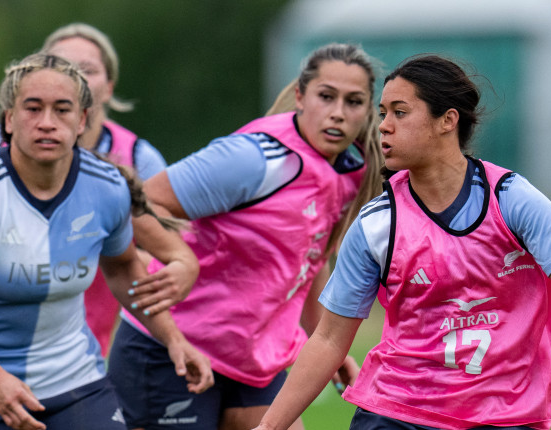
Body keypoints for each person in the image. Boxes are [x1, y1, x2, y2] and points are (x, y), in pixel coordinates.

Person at [251, 55, 551, 430]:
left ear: (447, 121)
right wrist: (269, 426)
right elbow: (329, 338)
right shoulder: (377, 224)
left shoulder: (512, 200)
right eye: (382, 113)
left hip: (505, 416)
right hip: (396, 411)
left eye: (399, 112)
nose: (383, 126)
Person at [0, 53, 213, 430]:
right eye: (32, 109)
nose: (47, 123)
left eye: (62, 109)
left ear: (83, 119)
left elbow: (122, 269)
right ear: (8, 119)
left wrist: (173, 339)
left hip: (76, 381)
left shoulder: (108, 187)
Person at [107, 43, 384, 430]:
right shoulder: (255, 158)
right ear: (301, 97)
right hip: (171, 349)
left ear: (367, 110)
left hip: (255, 362)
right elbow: (139, 203)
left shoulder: (350, 172)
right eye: (326, 96)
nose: (338, 112)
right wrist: (180, 260)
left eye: (354, 102)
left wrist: (327, 345)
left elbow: (311, 261)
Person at [0, 23, 182, 356]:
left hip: (89, 346)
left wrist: (112, 248)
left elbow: (164, 249)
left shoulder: (137, 159)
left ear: (109, 87)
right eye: (60, 64)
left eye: (86, 69)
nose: (72, 76)